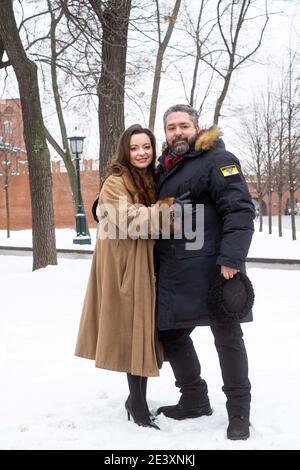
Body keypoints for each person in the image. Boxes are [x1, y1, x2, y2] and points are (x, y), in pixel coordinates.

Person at [155, 104, 255, 441]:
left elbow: (240, 210)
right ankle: (194, 398)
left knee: (227, 339)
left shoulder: (217, 160)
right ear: (165, 134)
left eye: (184, 125)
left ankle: (239, 412)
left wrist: (231, 260)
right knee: (170, 334)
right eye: (171, 128)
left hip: (215, 270)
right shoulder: (167, 167)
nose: (177, 132)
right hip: (175, 273)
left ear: (197, 128)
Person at [75, 124, 174, 430]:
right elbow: (130, 220)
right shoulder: (115, 181)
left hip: (146, 263)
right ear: (125, 151)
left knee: (144, 334)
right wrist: (168, 212)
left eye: (146, 147)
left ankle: (137, 401)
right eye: (134, 148)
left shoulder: (152, 178)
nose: (141, 153)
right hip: (124, 266)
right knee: (134, 333)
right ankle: (138, 405)